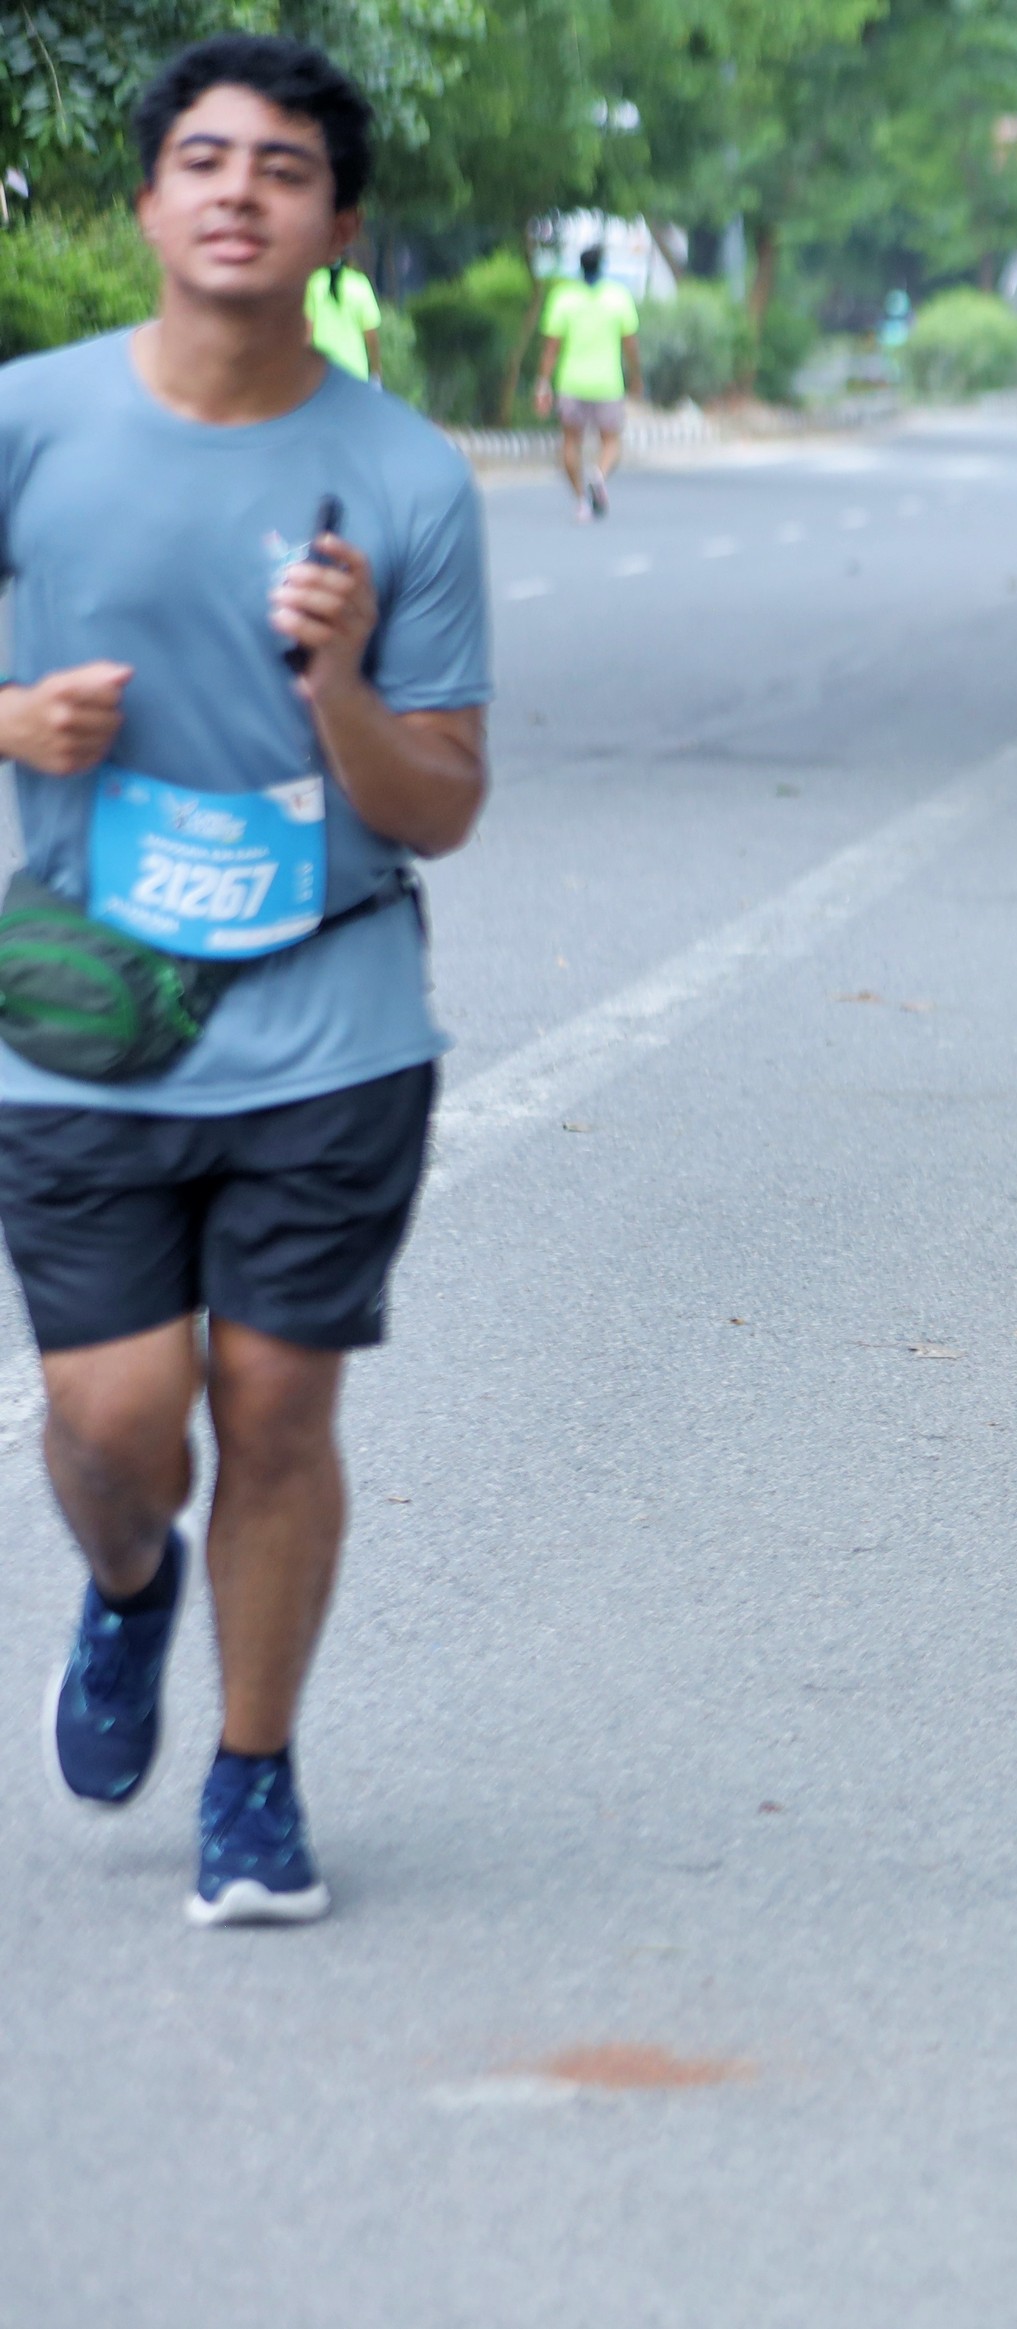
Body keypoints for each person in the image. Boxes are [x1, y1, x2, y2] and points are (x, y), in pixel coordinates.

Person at [7, 34, 490, 1927]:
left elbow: (444, 803)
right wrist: (10, 719)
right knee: (118, 1426)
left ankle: (254, 1777)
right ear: (146, 199)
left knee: (279, 1404)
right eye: (203, 159)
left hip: (329, 1011)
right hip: (85, 1010)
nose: (237, 192)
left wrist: (341, 686)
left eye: (283, 169)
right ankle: (130, 1586)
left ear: (337, 226)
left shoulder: (407, 476)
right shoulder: (32, 420)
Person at [536, 244, 640, 522]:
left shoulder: (564, 298)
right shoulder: (618, 298)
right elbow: (631, 345)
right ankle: (599, 474)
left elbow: (551, 348)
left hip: (571, 382)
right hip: (607, 383)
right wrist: (636, 377)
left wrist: (543, 383)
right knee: (611, 441)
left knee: (571, 441)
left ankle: (582, 501)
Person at [303, 254, 379, 382]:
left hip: (322, 374)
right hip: (355, 373)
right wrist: (376, 370)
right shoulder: (360, 284)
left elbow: (307, 333)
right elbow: (371, 335)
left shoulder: (315, 283)